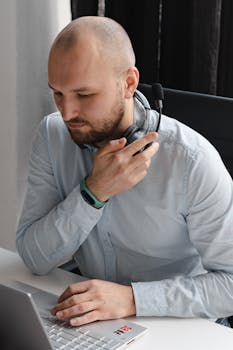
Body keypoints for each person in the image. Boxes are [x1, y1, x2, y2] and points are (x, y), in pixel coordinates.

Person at [16, 16, 233, 328]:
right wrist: (92, 194)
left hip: (182, 328)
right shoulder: (52, 136)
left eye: (84, 95)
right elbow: (35, 258)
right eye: (58, 93)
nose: (67, 112)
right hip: (96, 322)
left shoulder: (193, 161)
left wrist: (133, 299)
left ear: (129, 83)